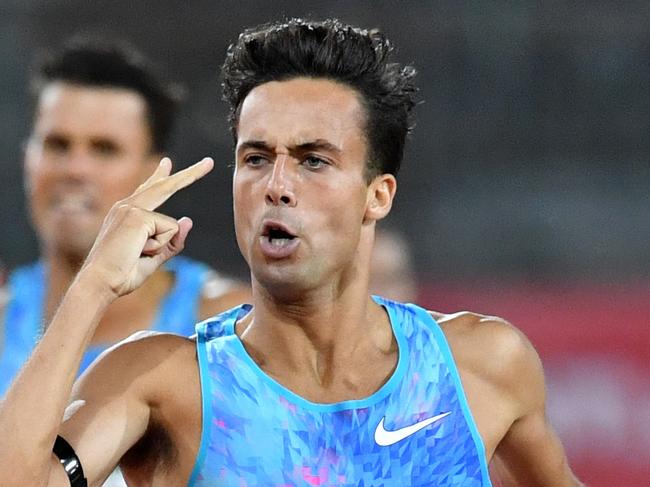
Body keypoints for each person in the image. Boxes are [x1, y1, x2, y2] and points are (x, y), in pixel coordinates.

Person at [0, 19, 582, 486]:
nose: (276, 184)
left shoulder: (481, 365)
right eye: (255, 158)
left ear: (377, 196)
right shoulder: (161, 381)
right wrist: (93, 285)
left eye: (312, 160)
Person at [0, 37, 248, 397]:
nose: (75, 169)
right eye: (57, 145)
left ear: (155, 172)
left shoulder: (227, 328)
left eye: (105, 149)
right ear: (27, 158)